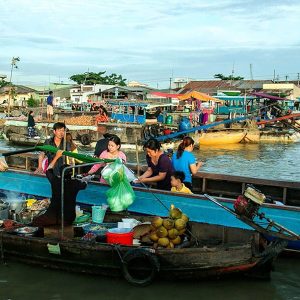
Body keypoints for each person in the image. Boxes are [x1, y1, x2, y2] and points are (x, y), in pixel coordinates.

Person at [32, 150, 87, 226]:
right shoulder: (76, 183)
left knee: (35, 222)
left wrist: (57, 156)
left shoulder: (55, 180)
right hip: (68, 218)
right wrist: (85, 179)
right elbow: (85, 184)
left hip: (53, 216)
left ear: (60, 173)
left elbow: (48, 170)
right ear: (71, 174)